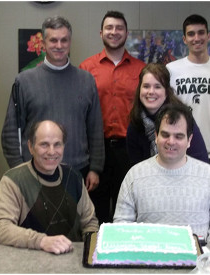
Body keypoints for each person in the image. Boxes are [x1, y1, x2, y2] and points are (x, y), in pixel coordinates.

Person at [1, 16, 104, 195]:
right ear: (43, 43)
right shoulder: (24, 81)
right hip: (34, 174)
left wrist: (95, 168)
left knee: (76, 223)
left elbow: (95, 128)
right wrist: (19, 171)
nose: (59, 45)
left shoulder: (86, 80)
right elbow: (10, 133)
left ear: (70, 42)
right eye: (53, 40)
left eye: (64, 40)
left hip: (77, 171)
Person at [115, 104, 210, 242]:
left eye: (179, 136)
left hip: (198, 260)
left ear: (189, 140)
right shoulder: (134, 176)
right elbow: (121, 225)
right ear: (156, 136)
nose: (171, 142)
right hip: (147, 260)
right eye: (165, 134)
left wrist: (207, 254)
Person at [0, 120, 98, 254]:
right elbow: (0, 228)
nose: (51, 151)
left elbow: (90, 224)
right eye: (44, 144)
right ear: (31, 147)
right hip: (30, 261)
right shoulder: (13, 180)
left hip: (72, 260)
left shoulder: (74, 176)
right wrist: (41, 241)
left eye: (57, 144)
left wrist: (90, 255)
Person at [79, 11, 146, 224]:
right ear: (101, 33)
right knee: (95, 208)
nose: (114, 32)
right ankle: (94, 252)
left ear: (126, 33)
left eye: (119, 28)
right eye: (109, 28)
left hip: (130, 149)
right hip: (96, 150)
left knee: (126, 206)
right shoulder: (86, 69)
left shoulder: (141, 69)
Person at [166, 14, 210, 177]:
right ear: (184, 39)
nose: (196, 38)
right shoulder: (171, 70)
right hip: (179, 154)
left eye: (201, 33)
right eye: (191, 34)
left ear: (208, 36)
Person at [127, 63, 209, 166]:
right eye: (146, 86)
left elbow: (201, 162)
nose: (151, 92)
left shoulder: (183, 119)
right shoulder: (135, 124)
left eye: (157, 87)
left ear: (166, 91)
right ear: (140, 90)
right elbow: (136, 169)